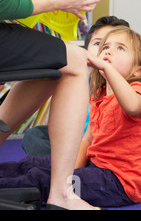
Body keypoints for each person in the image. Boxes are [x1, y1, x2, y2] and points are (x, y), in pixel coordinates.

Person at [0, 0, 104, 210]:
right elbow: (2, 2)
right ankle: (62, 193)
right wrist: (60, 0)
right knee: (73, 60)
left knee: (50, 65)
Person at [0, 26, 141, 208]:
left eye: (120, 48)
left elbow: (132, 106)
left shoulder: (138, 92)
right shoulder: (99, 95)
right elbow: (88, 138)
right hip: (95, 169)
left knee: (40, 177)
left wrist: (107, 67)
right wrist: (68, 174)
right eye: (105, 47)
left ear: (139, 70)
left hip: (118, 184)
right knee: (31, 164)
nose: (108, 51)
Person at [21, 16, 130, 157]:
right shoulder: (76, 78)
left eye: (118, 47)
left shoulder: (125, 86)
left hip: (103, 145)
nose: (106, 51)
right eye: (99, 44)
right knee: (34, 135)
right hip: (72, 141)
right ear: (86, 49)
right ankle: (61, 164)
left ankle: (63, 166)